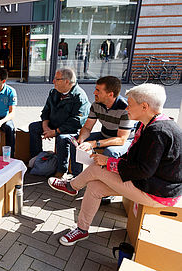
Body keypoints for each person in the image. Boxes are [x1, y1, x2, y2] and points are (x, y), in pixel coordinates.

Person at [48, 83, 182, 246]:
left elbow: (143, 170)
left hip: (158, 193)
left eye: (130, 104)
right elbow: (135, 159)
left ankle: (72, 186)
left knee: (97, 169)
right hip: (149, 183)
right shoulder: (148, 124)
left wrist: (109, 162)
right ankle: (82, 229)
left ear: (144, 106)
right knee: (95, 187)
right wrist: (111, 163)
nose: (127, 109)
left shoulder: (158, 132)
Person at [29, 67, 90, 178]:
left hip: (69, 129)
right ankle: (37, 159)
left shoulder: (79, 97)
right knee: (33, 127)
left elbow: (76, 122)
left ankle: (61, 170)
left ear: (67, 81)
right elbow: (46, 111)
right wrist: (46, 127)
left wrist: (56, 132)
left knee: (62, 139)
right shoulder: (54, 92)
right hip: (53, 124)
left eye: (57, 79)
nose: (53, 82)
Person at [70, 76, 135, 176]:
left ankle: (101, 180)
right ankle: (76, 177)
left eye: (98, 90)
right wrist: (82, 139)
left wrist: (93, 144)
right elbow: (87, 127)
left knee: (110, 152)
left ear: (110, 94)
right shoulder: (96, 105)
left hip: (126, 141)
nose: (94, 93)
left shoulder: (125, 109)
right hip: (105, 135)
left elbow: (121, 139)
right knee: (75, 141)